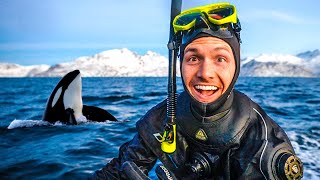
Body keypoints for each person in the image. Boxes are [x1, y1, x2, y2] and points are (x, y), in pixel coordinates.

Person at [92, 2, 303, 179]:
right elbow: (119, 170)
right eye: (193, 58)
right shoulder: (165, 116)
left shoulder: (260, 136)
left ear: (236, 66)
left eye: (220, 59)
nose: (205, 73)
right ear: (180, 64)